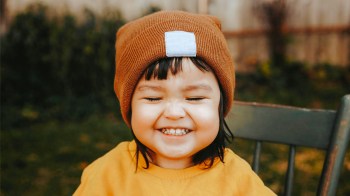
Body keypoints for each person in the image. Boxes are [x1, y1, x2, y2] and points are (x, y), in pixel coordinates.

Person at [74, 10, 276, 195]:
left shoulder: (238, 181)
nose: (174, 112)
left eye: (195, 98)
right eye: (153, 97)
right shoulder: (106, 176)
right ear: (129, 105)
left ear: (220, 106)